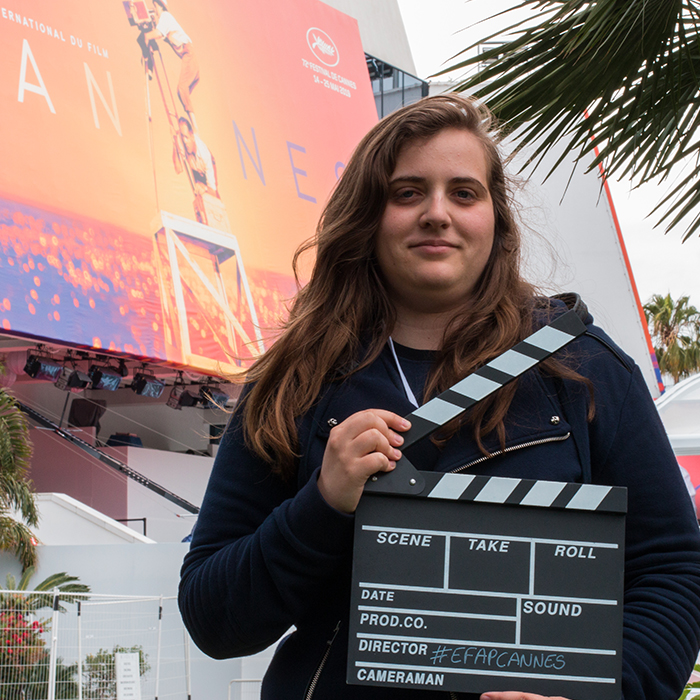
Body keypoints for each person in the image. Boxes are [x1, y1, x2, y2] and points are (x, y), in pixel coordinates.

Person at [178, 95, 700, 699]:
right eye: (406, 193)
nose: (436, 213)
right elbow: (212, 616)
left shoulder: (582, 365)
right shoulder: (295, 382)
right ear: (369, 217)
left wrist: (599, 691)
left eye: (463, 192)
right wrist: (321, 505)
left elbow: (671, 572)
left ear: (496, 219)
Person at [146, 0, 199, 125]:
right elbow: (161, 35)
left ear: (158, 5)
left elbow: (157, 34)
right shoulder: (166, 21)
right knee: (181, 93)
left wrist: (147, 36)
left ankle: (195, 129)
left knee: (182, 89)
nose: (155, 10)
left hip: (189, 54)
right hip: (188, 55)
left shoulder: (165, 17)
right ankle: (193, 126)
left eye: (154, 6)